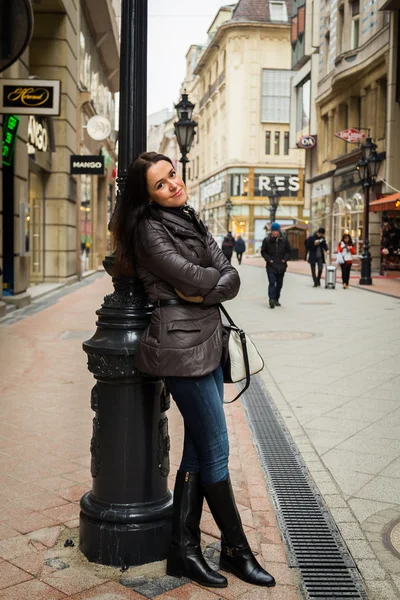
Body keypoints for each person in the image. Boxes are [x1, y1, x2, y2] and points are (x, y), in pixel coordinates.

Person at [111, 152, 275, 589]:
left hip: (208, 336)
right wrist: (207, 286)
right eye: (161, 184)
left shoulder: (188, 215)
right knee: (216, 448)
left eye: (173, 175)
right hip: (180, 346)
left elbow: (227, 275)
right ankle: (236, 550)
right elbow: (191, 276)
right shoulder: (148, 228)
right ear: (146, 196)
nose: (173, 184)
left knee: (200, 450)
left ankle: (182, 551)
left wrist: (205, 288)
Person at [261, 222, 291, 309]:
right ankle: (271, 299)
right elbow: (263, 252)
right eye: (273, 231)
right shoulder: (267, 240)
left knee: (279, 284)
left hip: (281, 265)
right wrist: (269, 260)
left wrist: (285, 259)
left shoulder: (284, 240)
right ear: (271, 231)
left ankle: (276, 299)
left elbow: (289, 251)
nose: (275, 233)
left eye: (276, 231)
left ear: (279, 231)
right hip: (271, 265)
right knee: (271, 282)